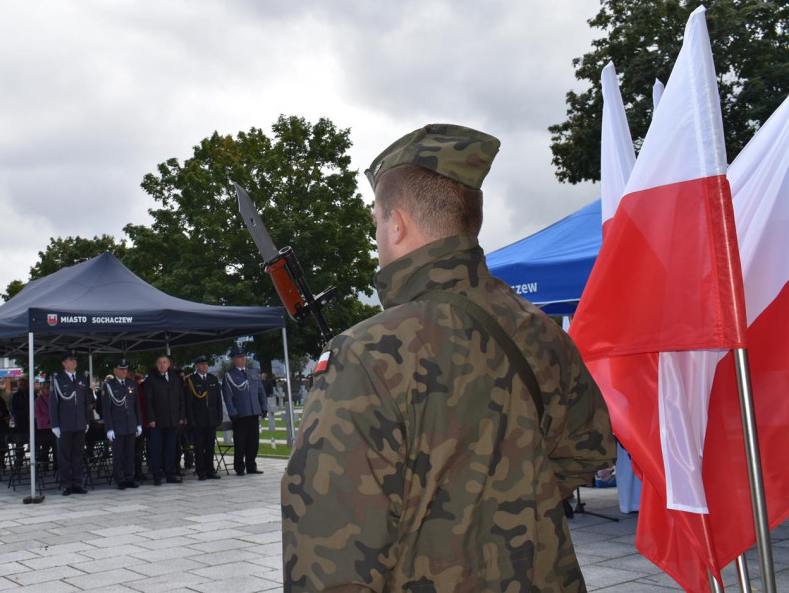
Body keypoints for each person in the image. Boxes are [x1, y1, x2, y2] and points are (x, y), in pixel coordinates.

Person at [281, 124, 615, 591]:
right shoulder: (540, 329)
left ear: (396, 224)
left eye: (376, 220)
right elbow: (590, 449)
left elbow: (329, 554)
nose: (378, 233)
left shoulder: (365, 353)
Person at [49, 353, 91, 496]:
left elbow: (86, 402)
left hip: (79, 423)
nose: (74, 362)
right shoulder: (57, 380)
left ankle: (77, 483)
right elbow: (53, 404)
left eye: (75, 360)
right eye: (70, 360)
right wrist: (55, 425)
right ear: (64, 363)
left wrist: (86, 421)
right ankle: (66, 484)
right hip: (64, 424)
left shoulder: (81, 379)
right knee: (64, 456)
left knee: (78, 455)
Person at [222, 348, 267, 476]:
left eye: (244, 357)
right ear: (234, 360)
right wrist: (232, 411)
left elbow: (261, 392)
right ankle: (239, 467)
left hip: (253, 412)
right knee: (240, 442)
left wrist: (264, 407)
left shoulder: (253, 372)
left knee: (253, 442)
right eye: (240, 357)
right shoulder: (229, 375)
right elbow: (227, 396)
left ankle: (251, 465)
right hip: (240, 414)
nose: (243, 359)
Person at [143, 354, 185, 486]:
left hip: (172, 420)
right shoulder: (151, 379)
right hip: (157, 421)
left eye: (164, 362)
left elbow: (181, 399)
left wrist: (181, 416)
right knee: (157, 449)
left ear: (169, 364)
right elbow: (148, 402)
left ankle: (171, 473)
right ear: (156, 365)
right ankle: (157, 475)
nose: (162, 365)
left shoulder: (175, 378)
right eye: (160, 362)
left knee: (171, 449)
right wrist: (151, 419)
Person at [100, 359, 142, 489]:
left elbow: (136, 406)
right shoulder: (109, 386)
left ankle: (129, 477)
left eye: (125, 369)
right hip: (117, 425)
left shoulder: (131, 383)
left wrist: (138, 423)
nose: (124, 371)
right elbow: (106, 409)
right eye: (121, 369)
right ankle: (120, 479)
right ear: (115, 370)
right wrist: (109, 428)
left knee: (130, 453)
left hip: (130, 424)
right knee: (118, 454)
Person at [184, 356, 223, 481]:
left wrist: (219, 416)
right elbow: (189, 403)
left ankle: (210, 470)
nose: (204, 366)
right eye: (201, 364)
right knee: (199, 447)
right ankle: (201, 471)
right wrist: (191, 420)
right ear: (196, 366)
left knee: (210, 446)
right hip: (198, 419)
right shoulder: (191, 380)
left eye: (206, 364)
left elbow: (218, 401)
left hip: (211, 419)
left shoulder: (213, 379)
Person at [34, 380, 54, 471]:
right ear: (42, 389)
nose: (49, 389)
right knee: (45, 447)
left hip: (54, 427)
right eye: (47, 387)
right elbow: (38, 415)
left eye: (50, 387)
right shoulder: (38, 401)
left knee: (56, 447)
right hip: (44, 428)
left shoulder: (55, 399)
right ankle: (44, 465)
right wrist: (49, 420)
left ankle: (56, 465)